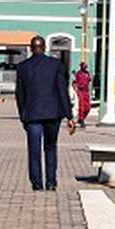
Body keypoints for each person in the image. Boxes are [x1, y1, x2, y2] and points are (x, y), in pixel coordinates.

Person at [14, 36, 73, 191]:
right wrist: (69, 116)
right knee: (51, 147)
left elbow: (20, 94)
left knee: (34, 150)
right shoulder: (55, 65)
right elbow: (62, 91)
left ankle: (37, 182)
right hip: (53, 113)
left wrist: (23, 116)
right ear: (45, 47)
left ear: (31, 48)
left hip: (32, 115)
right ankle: (51, 182)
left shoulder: (23, 67)